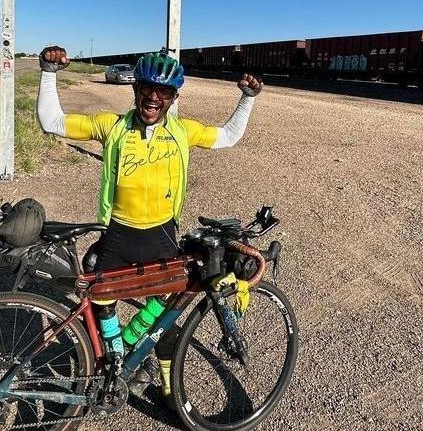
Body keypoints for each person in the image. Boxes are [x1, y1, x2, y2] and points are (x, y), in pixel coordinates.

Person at [36, 45, 262, 409]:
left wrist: (247, 99)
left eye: (164, 92)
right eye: (146, 88)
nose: (153, 97)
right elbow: (52, 121)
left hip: (161, 236)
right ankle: (109, 370)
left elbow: (227, 136)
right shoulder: (112, 126)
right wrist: (48, 72)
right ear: (136, 89)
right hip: (118, 235)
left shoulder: (183, 132)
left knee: (166, 316)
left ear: (174, 97)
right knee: (103, 305)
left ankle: (165, 385)